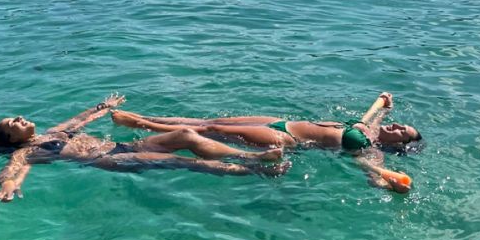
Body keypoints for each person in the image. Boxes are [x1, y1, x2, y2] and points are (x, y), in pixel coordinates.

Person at [0, 94, 287, 202]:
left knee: (185, 134)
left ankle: (246, 155)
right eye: (10, 123)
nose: (17, 118)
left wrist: (104, 107)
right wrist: (9, 186)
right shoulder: (25, 152)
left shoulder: (54, 132)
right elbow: (12, 171)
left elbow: (80, 119)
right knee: (184, 162)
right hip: (108, 159)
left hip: (121, 145)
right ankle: (257, 168)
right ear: (12, 139)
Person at [112, 92, 420, 192]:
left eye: (402, 131)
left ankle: (138, 122)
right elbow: (377, 115)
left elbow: (370, 169)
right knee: (209, 123)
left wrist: (386, 183)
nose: (396, 126)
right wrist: (384, 104)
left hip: (286, 136)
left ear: (399, 144)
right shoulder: (371, 126)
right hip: (280, 119)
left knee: (209, 129)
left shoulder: (369, 148)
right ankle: (145, 118)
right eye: (401, 124)